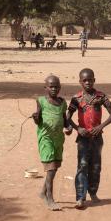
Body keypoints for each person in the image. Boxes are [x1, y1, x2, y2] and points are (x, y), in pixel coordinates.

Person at [67, 68, 111, 209]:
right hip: (83, 138)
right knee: (82, 166)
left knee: (95, 166)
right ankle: (80, 197)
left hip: (97, 137)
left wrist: (101, 126)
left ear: (94, 80)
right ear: (80, 82)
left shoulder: (101, 97)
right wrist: (77, 128)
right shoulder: (76, 98)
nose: (88, 82)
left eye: (90, 80)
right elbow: (68, 117)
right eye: (85, 80)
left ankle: (93, 192)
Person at [31, 75, 72, 211]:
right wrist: (36, 118)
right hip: (46, 137)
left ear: (60, 87)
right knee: (51, 168)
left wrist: (69, 128)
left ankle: (42, 192)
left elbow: (65, 120)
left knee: (54, 167)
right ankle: (50, 198)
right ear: (46, 88)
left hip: (58, 138)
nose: (54, 89)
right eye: (51, 86)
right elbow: (38, 120)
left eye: (56, 86)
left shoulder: (62, 103)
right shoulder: (41, 101)